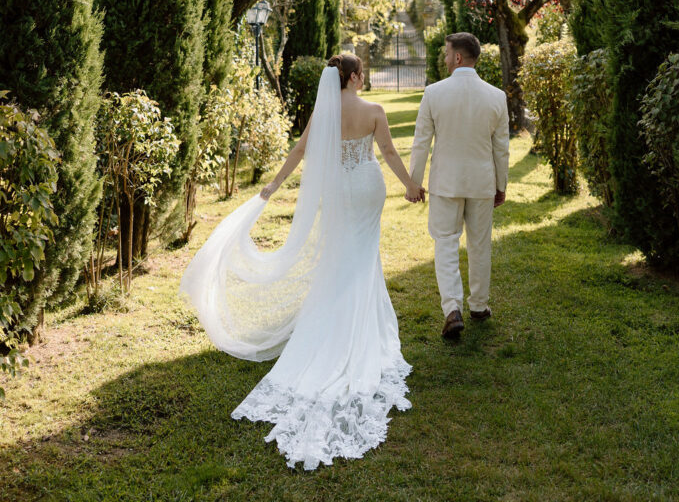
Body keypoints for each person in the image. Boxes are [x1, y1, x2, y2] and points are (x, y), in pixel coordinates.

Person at [179, 53, 424, 471]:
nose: (364, 78)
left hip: (338, 193)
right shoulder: (374, 111)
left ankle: (339, 320)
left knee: (344, 257)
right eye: (361, 72)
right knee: (362, 258)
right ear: (352, 77)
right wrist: (412, 186)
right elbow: (387, 152)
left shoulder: (324, 111)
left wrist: (274, 184)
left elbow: (300, 147)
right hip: (367, 189)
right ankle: (359, 330)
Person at [409, 32, 509, 339]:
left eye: (446, 52)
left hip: (446, 183)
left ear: (458, 57)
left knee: (446, 243)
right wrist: (501, 184)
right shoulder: (496, 96)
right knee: (480, 245)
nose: (444, 57)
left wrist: (414, 182)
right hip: (482, 182)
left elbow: (421, 143)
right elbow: (501, 148)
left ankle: (452, 308)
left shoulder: (434, 93)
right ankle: (478, 305)